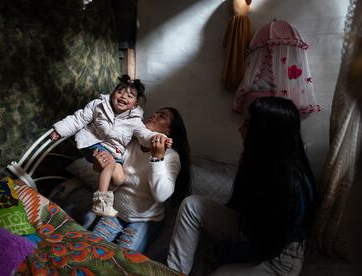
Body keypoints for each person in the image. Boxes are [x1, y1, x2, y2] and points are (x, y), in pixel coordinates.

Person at [167, 96, 316, 275]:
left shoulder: (292, 185)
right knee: (192, 206)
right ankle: (172, 272)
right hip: (249, 227)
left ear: (265, 132)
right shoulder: (255, 159)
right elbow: (237, 205)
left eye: (247, 124)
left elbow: (266, 247)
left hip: (278, 255)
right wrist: (218, 235)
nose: (240, 130)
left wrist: (220, 253)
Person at [50, 75, 170, 217]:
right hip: (93, 142)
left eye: (130, 95)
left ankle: (95, 174)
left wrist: (158, 137)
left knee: (119, 178)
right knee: (109, 164)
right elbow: (79, 118)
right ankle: (101, 203)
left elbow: (144, 135)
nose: (124, 96)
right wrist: (59, 130)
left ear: (135, 104)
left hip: (113, 150)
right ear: (112, 93)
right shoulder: (99, 105)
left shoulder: (135, 120)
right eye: (120, 92)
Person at [85, 107, 191, 253]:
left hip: (146, 220)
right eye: (155, 112)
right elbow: (115, 180)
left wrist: (157, 157)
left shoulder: (171, 156)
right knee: (91, 248)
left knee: (124, 257)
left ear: (168, 132)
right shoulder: (129, 142)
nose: (154, 115)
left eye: (161, 116)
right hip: (116, 212)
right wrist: (100, 166)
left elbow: (161, 196)